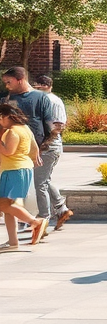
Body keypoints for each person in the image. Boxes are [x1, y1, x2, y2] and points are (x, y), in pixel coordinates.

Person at [1, 67, 68, 229]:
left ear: (20, 79)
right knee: (41, 181)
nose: (7, 86)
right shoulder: (7, 100)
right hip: (20, 151)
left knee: (40, 183)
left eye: (9, 82)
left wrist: (40, 149)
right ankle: (59, 209)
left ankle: (41, 221)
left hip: (41, 148)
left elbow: (50, 126)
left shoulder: (40, 98)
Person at [0, 104, 47, 252]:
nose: (0, 122)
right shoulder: (25, 128)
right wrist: (34, 157)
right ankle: (13, 242)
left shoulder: (13, 132)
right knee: (8, 207)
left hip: (14, 170)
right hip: (20, 169)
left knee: (4, 204)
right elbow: (33, 145)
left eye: (0, 118)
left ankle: (35, 222)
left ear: (7, 116)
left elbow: (8, 151)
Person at [32, 75, 72, 230]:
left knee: (40, 183)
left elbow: (59, 126)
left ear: (44, 86)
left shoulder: (51, 101)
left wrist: (44, 144)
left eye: (37, 86)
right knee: (44, 180)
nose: (34, 90)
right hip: (47, 146)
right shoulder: (45, 100)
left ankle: (43, 218)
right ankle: (62, 209)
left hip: (49, 147)